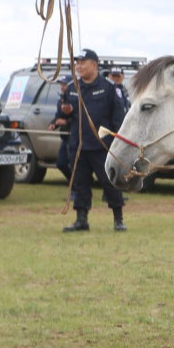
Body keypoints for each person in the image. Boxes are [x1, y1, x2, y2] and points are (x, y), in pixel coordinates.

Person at [55, 48, 128, 232]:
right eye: (77, 63)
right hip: (79, 146)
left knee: (109, 182)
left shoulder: (108, 88)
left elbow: (118, 117)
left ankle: (118, 219)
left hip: (102, 146)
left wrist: (115, 142)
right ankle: (81, 219)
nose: (79, 66)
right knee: (80, 184)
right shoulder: (72, 88)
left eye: (83, 63)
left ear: (94, 65)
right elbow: (64, 116)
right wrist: (64, 114)